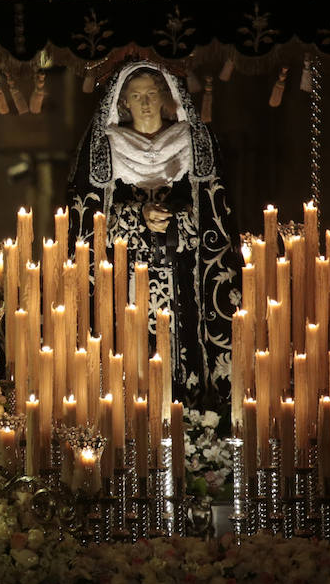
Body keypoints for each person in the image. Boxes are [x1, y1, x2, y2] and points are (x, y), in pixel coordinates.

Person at [67, 59, 241, 409]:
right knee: (132, 361)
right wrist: (137, 216)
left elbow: (214, 217)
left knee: (184, 353)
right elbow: (88, 223)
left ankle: (193, 414)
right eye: (135, 95)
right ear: (123, 102)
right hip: (125, 279)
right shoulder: (106, 148)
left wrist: (177, 220)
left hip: (183, 275)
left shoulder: (192, 143)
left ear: (166, 97)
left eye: (151, 93)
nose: (145, 103)